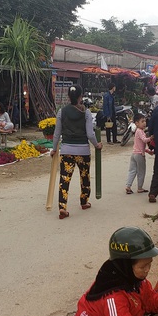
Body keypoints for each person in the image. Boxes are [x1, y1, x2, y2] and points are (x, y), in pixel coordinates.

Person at [51, 84, 102, 219]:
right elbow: (90, 134)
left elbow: (57, 133)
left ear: (68, 96)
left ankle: (62, 207)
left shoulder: (62, 112)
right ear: (80, 96)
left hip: (66, 150)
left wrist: (54, 148)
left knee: (64, 179)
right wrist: (97, 145)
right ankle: (84, 202)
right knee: (84, 177)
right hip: (83, 151)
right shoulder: (86, 112)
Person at [125, 112, 152, 194]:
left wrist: (147, 151)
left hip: (134, 154)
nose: (144, 123)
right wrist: (151, 138)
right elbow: (144, 140)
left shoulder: (137, 131)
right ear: (136, 123)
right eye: (142, 121)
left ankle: (128, 186)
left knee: (132, 170)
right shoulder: (140, 131)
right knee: (141, 171)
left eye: (145, 121)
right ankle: (140, 187)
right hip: (140, 155)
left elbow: (140, 145)